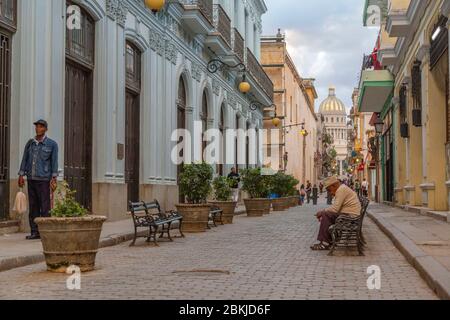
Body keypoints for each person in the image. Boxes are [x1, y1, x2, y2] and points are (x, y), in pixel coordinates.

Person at [18, 120, 58, 240]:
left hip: (44, 180)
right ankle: (34, 232)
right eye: (36, 126)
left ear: (45, 129)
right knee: (33, 206)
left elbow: (54, 162)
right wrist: (21, 175)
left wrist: (54, 178)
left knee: (45, 207)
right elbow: (24, 159)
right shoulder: (30, 144)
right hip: (31, 178)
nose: (37, 128)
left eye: (40, 127)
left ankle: (45, 232)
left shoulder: (52, 144)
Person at [310, 176, 362, 251]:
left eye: (329, 190)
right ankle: (327, 241)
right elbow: (335, 208)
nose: (329, 193)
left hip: (350, 218)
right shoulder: (342, 188)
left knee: (326, 214)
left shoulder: (341, 190)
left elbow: (335, 209)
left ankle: (325, 243)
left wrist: (322, 212)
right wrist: (324, 212)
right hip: (350, 216)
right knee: (326, 215)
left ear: (333, 185)